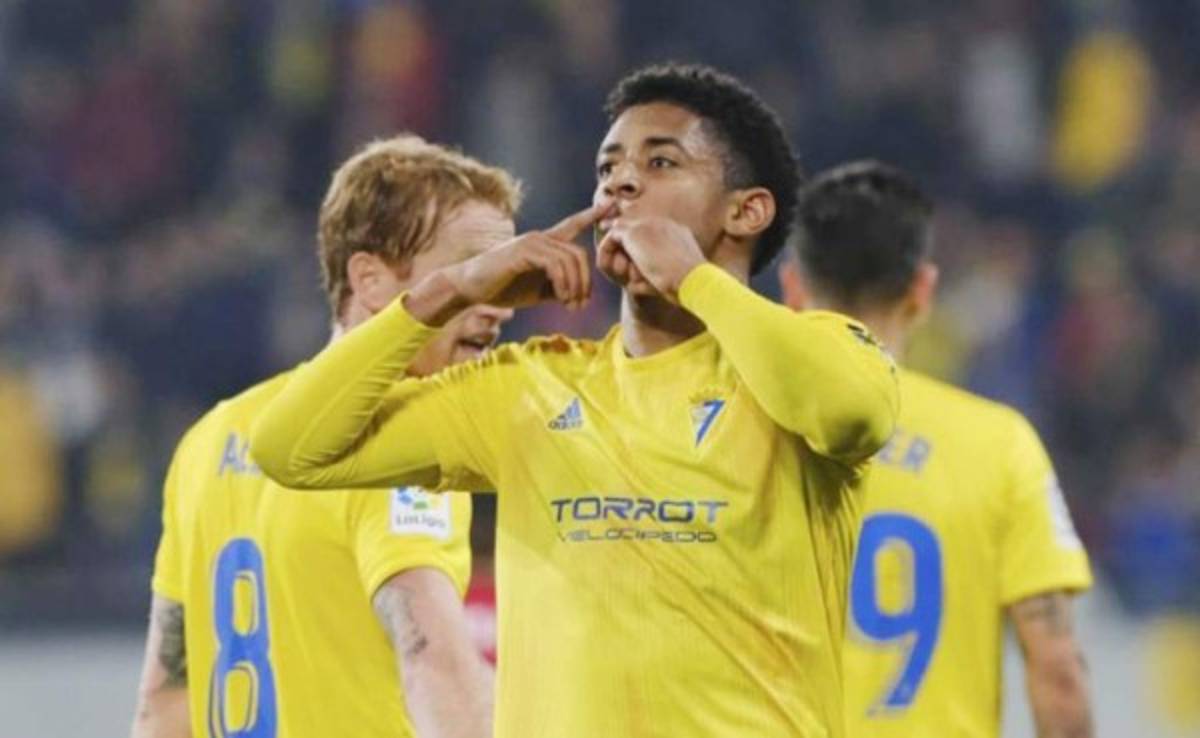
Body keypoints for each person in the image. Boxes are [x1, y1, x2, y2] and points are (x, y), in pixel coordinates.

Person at [250, 63, 899, 738]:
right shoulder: (529, 387)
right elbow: (290, 450)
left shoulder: (815, 355)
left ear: (746, 211)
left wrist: (694, 279)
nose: (620, 182)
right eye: (608, 167)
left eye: (661, 162)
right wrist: (452, 289)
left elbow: (851, 413)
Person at [130, 135, 519, 738]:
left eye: (506, 279)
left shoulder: (212, 436)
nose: (500, 307)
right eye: (469, 275)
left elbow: (163, 702)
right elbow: (432, 659)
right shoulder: (398, 443)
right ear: (370, 280)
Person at [780, 160, 1094, 738]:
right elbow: (1057, 670)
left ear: (793, 287)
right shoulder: (999, 444)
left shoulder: (742, 438)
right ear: (922, 290)